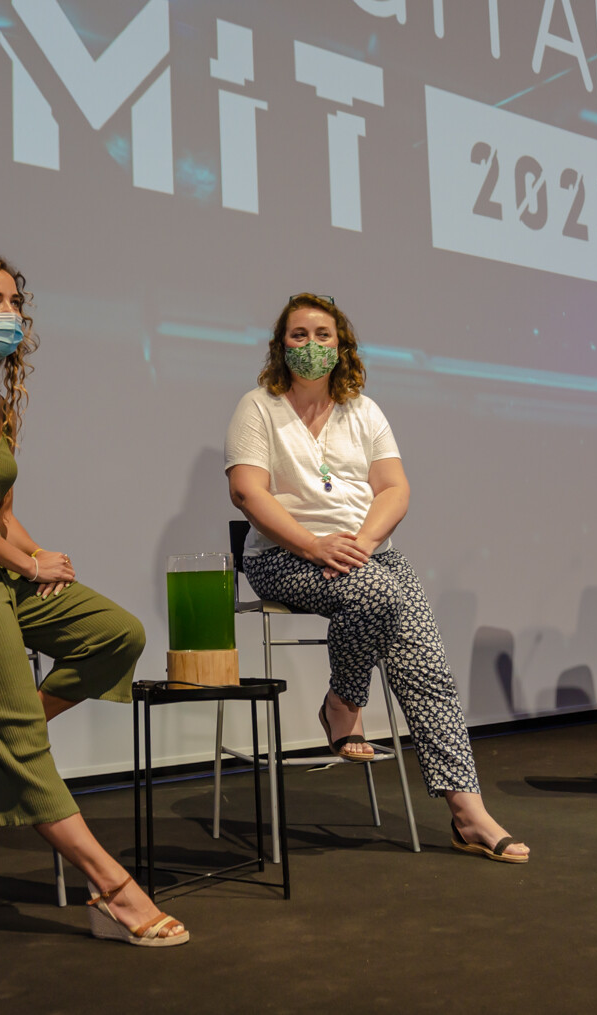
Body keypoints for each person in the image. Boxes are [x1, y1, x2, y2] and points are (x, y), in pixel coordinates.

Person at [0, 253, 188, 945]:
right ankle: (115, 887)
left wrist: (39, 556)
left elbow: (2, 508)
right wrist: (22, 559)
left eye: (16, 302)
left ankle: (1, 750)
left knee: (120, 633)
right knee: (19, 723)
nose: (10, 314)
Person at [223, 293, 530, 863]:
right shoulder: (257, 406)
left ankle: (468, 811)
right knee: (385, 592)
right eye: (298, 335)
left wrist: (361, 544)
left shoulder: (362, 410)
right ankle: (344, 706)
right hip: (284, 557)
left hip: (366, 556)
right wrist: (314, 544)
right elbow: (247, 490)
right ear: (279, 345)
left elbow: (394, 488)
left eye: (322, 335)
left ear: (341, 346)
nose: (311, 345)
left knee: (426, 666)